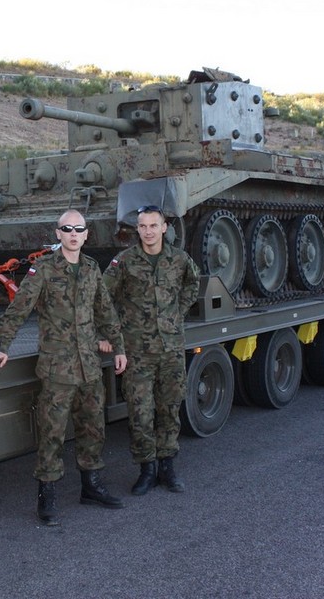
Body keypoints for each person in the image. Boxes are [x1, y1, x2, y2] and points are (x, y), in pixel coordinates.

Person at [0, 209, 127, 526]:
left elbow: (105, 311)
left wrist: (119, 347)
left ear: (86, 234)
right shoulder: (44, 269)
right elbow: (19, 308)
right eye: (67, 229)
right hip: (57, 368)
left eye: (79, 229)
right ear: (58, 233)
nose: (73, 234)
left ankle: (92, 487)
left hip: (89, 365)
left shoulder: (91, 269)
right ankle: (46, 496)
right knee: (52, 434)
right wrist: (1, 345)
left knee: (93, 428)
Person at [103, 204, 200, 495]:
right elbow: (103, 297)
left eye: (153, 226)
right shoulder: (125, 262)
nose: (147, 231)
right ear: (138, 229)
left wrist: (177, 313)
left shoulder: (179, 259)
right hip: (137, 352)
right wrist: (111, 333)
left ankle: (167, 467)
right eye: (142, 226)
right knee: (140, 413)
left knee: (169, 409)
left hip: (171, 349)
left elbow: (192, 285)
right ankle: (147, 469)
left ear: (164, 228)